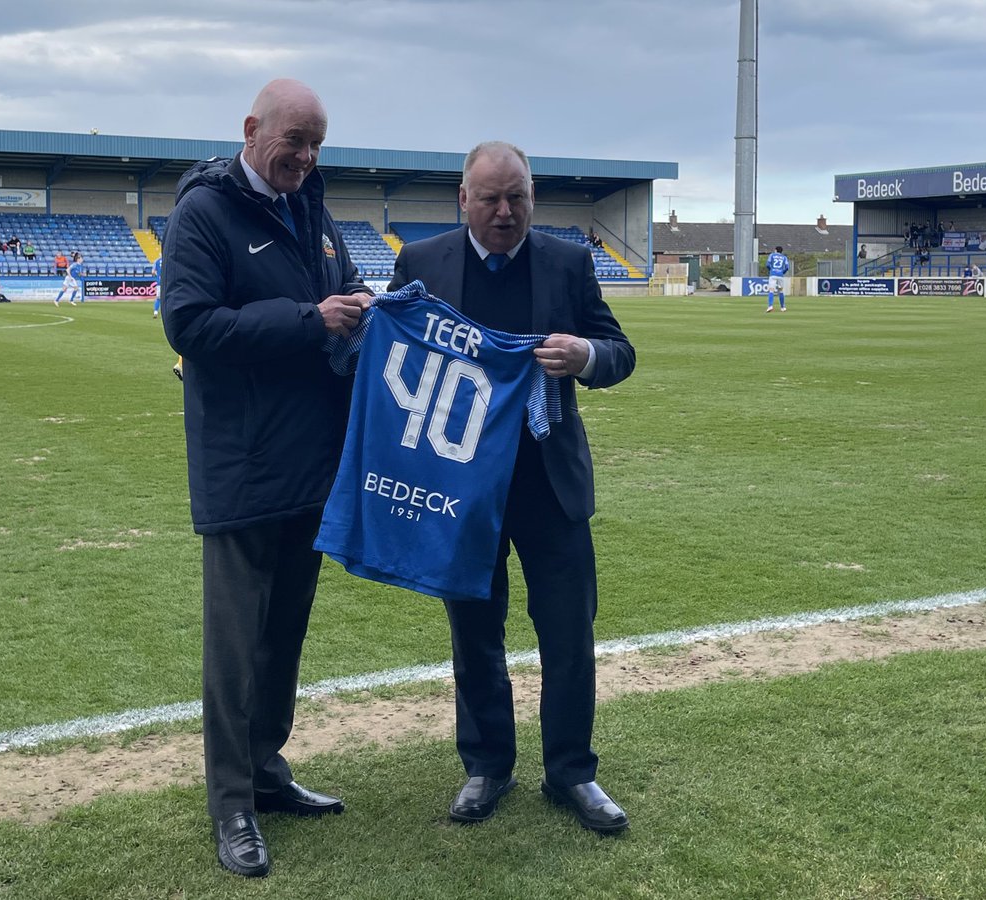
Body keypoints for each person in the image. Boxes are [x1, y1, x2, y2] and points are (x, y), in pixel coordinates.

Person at [385, 141, 636, 835]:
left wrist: (587, 356)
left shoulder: (568, 262)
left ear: (533, 197)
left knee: (567, 632)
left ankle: (572, 773)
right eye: (490, 198)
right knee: (474, 631)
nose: (505, 211)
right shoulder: (421, 263)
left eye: (517, 197)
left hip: (548, 481)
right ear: (461, 199)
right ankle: (488, 764)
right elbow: (396, 361)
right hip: (461, 487)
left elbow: (620, 351)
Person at [159, 78, 371, 879]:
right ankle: (231, 804)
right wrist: (308, 319)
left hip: (310, 466)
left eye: (318, 144)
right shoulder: (204, 214)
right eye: (295, 142)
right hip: (242, 467)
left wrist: (361, 309)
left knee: (283, 640)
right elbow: (189, 323)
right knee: (236, 649)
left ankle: (268, 773)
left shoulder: (312, 208)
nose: (307, 157)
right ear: (252, 130)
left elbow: (337, 297)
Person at [765, 244, 789, 311]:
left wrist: (771, 270)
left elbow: (767, 264)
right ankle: (783, 307)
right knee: (781, 291)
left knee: (771, 290)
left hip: (773, 275)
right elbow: (787, 267)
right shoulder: (784, 257)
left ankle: (770, 306)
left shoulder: (772, 255)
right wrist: (782, 272)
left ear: (775, 250)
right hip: (780, 275)